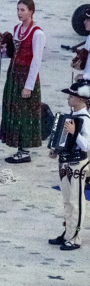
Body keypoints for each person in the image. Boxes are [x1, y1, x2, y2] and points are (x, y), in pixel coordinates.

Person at [0, 0, 45, 165]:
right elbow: (14, 53)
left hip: (26, 76)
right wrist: (4, 51)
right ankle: (19, 147)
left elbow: (36, 61)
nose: (19, 13)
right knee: (14, 111)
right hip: (14, 74)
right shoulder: (17, 29)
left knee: (25, 113)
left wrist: (29, 86)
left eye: (23, 10)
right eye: (18, 9)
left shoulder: (37, 33)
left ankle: (25, 150)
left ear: (31, 11)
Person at [47, 82, 90, 251]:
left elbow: (86, 146)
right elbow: (64, 140)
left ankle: (75, 237)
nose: (68, 98)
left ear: (81, 99)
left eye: (71, 96)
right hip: (66, 161)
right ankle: (68, 233)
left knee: (75, 200)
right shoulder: (72, 116)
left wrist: (75, 132)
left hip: (77, 162)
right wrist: (56, 150)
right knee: (67, 200)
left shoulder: (85, 120)